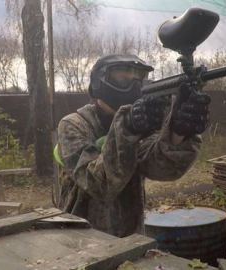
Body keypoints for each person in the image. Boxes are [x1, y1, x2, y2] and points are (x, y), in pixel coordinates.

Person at [54, 54, 210, 237]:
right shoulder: (74, 125)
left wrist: (178, 132)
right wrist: (128, 127)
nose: (134, 85)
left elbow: (159, 168)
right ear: (98, 82)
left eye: (139, 78)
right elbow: (98, 184)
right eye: (123, 78)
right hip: (79, 239)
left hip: (130, 238)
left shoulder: (141, 123)